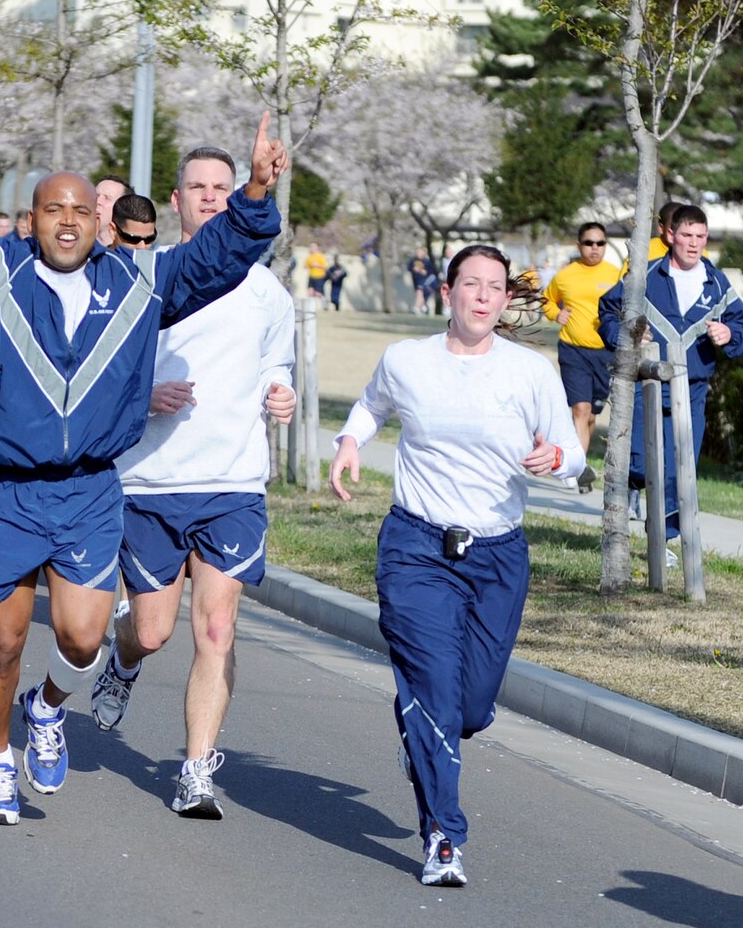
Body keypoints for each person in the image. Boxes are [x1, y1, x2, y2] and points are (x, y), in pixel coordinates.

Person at [0, 97, 284, 827]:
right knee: (2, 638)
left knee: (83, 637)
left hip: (90, 491)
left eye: (78, 210)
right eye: (50, 209)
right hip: (3, 491)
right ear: (30, 219)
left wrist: (254, 193)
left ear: (98, 223)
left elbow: (216, 259)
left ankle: (48, 706)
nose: (66, 220)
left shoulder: (137, 283)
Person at [331, 243, 585, 886]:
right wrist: (348, 443)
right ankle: (444, 835)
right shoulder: (406, 360)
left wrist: (556, 460)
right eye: (469, 283)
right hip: (417, 549)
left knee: (469, 709)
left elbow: (575, 455)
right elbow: (370, 406)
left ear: (505, 300)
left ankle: (424, 731)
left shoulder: (530, 372)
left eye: (493, 287)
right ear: (447, 292)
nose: (480, 295)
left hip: (498, 554)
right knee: (436, 695)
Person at [88, 145, 298, 819]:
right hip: (151, 481)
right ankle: (122, 662)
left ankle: (195, 769)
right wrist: (142, 395)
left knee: (216, 626)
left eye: (222, 186)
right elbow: (99, 366)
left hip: (232, 481)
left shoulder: (268, 291)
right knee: (151, 632)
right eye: (198, 187)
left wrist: (283, 393)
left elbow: (279, 366)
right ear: (174, 200)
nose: (211, 196)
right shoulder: (139, 278)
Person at [598, 201, 743, 548]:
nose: (694, 243)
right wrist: (628, 333)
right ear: (669, 235)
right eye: (686, 235)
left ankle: (663, 540)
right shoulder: (645, 276)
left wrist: (729, 336)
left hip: (692, 388)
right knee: (637, 465)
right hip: (646, 384)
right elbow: (607, 312)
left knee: (679, 473)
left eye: (700, 236)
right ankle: (635, 490)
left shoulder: (716, 282)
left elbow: (741, 328)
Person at [541, 221, 625, 493]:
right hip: (573, 349)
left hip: (605, 353)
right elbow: (547, 300)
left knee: (591, 416)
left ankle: (579, 462)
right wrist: (556, 314)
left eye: (600, 243)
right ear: (579, 246)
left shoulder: (616, 274)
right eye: (589, 243)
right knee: (580, 409)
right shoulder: (565, 275)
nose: (595, 248)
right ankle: (577, 470)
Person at [93, 176, 131, 248]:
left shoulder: (130, 255)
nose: (98, 201)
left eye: (107, 198)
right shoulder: (77, 250)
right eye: (96, 195)